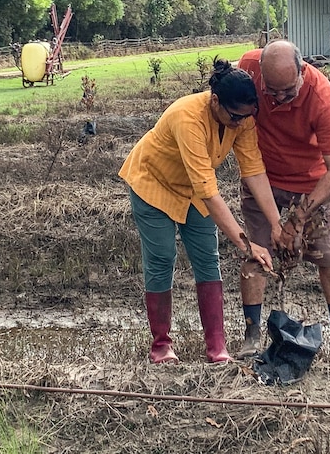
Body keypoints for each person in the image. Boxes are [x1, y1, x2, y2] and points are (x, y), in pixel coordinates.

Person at [119, 59, 282, 364]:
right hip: (154, 184)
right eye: (235, 116)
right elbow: (209, 191)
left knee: (208, 259)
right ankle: (161, 346)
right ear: (215, 100)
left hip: (192, 191)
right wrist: (246, 245)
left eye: (246, 117)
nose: (240, 123)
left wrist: (276, 225)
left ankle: (217, 348)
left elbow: (254, 170)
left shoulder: (243, 118)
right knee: (162, 257)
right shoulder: (188, 117)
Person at [236, 40, 330, 357]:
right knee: (256, 252)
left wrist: (297, 219)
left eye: (287, 91)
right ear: (261, 75)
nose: (278, 99)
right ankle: (252, 337)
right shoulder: (248, 68)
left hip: (310, 182)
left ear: (303, 72)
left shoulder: (320, 96)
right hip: (260, 177)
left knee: (329, 256)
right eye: (271, 91)